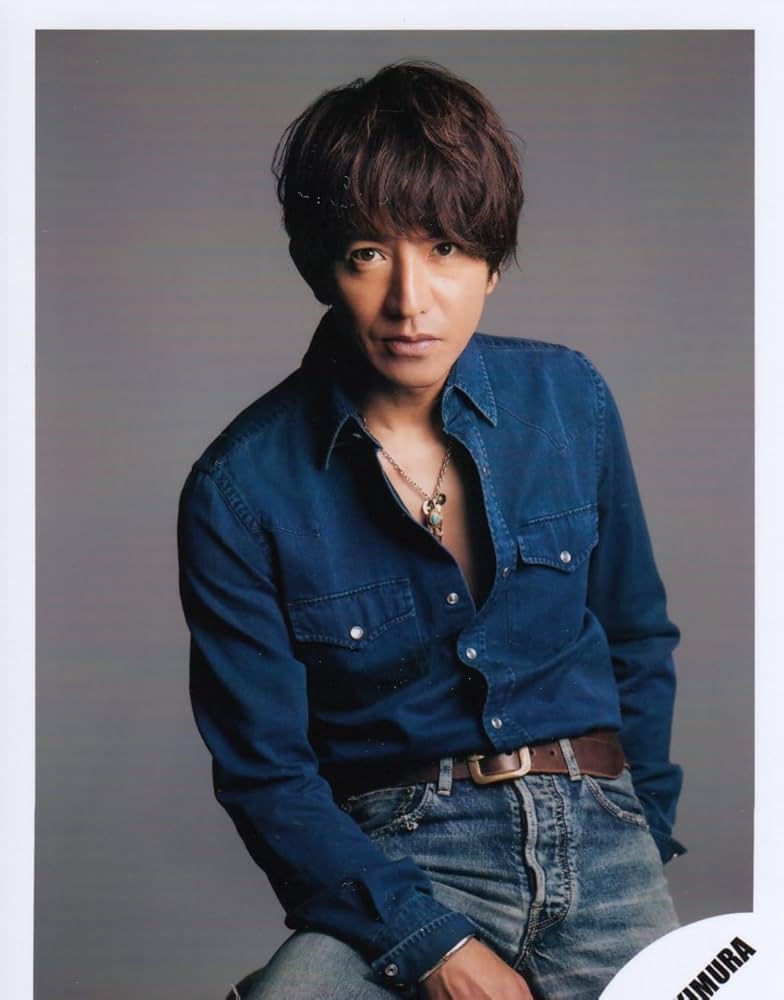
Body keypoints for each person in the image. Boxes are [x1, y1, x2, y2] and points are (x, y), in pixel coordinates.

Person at [177, 61, 684, 1000]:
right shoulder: (239, 489)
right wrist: (432, 945)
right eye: (369, 252)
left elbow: (637, 636)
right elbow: (265, 775)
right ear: (321, 267)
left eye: (446, 248)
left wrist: (639, 830)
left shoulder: (568, 397)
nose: (410, 300)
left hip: (602, 836)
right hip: (400, 863)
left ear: (491, 262)